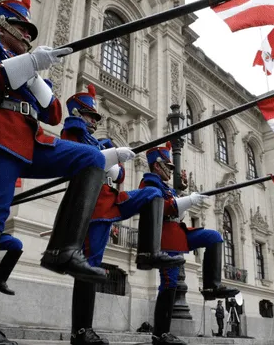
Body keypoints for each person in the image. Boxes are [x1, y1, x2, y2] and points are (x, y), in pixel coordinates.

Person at [0, 0, 136, 344]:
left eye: (28, 30)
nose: (27, 34)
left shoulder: (25, 63)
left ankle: (63, 250)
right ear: (4, 25)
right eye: (21, 27)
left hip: (29, 136)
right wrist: (23, 65)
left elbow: (52, 114)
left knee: (92, 159)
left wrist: (36, 75)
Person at [61, 85, 184, 345]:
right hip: (91, 205)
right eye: (89, 115)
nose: (94, 121)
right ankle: (81, 331)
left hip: (110, 201)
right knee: (90, 265)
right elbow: (77, 161)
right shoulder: (73, 133)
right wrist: (110, 156)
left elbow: (119, 176)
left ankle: (148, 252)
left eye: (95, 117)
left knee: (152, 196)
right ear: (76, 113)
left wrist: (113, 162)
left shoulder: (95, 140)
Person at [139, 142, 239, 345]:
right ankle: (160, 334)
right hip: (164, 238)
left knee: (214, 237)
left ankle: (212, 286)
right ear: (158, 165)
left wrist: (183, 195)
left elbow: (177, 211)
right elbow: (164, 209)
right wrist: (188, 200)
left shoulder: (165, 188)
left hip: (178, 233)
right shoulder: (148, 183)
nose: (171, 170)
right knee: (169, 283)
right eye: (169, 165)